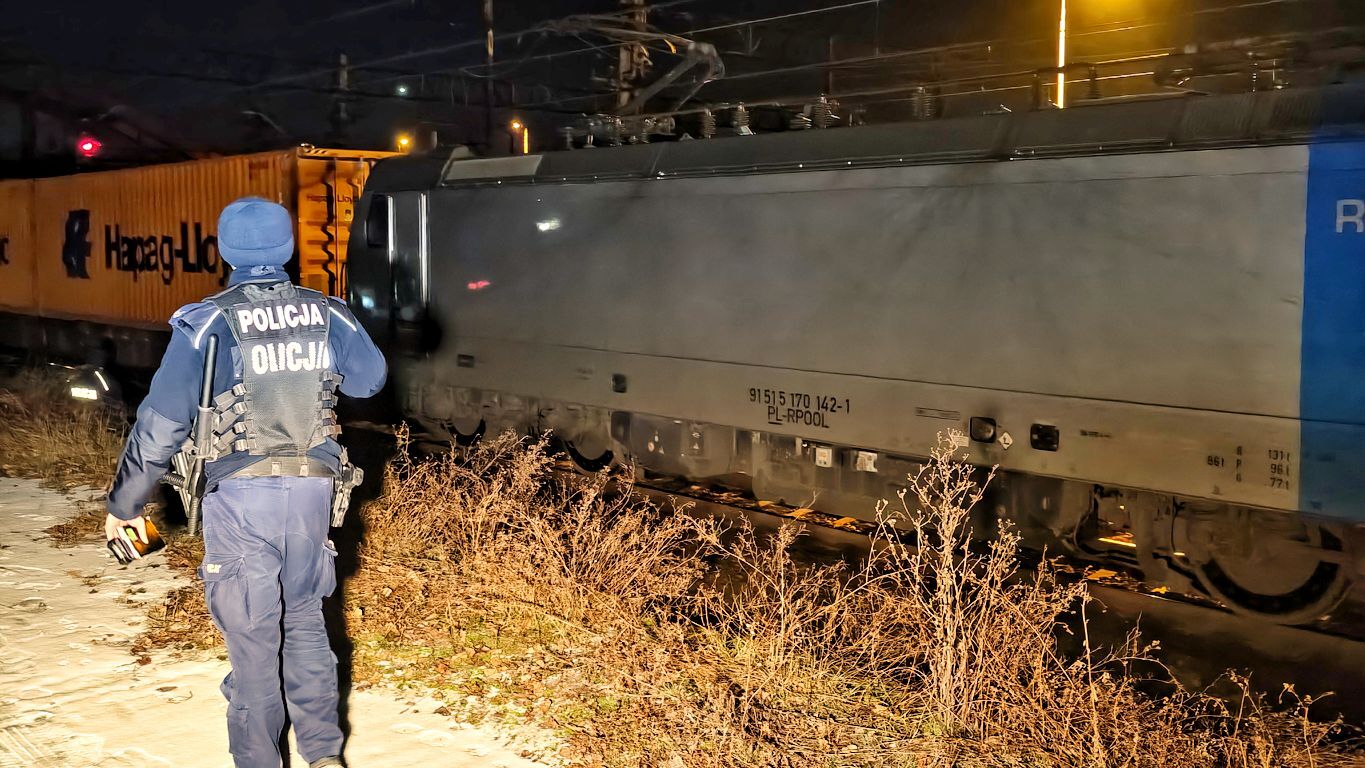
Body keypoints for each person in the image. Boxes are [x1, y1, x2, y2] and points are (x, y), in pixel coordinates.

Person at [104, 197, 387, 768]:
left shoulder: (207, 322)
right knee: (305, 621)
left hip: (241, 498)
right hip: (313, 493)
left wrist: (126, 502)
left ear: (226, 251)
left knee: (254, 642)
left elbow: (162, 423)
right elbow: (369, 380)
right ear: (288, 247)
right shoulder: (328, 312)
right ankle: (323, 756)